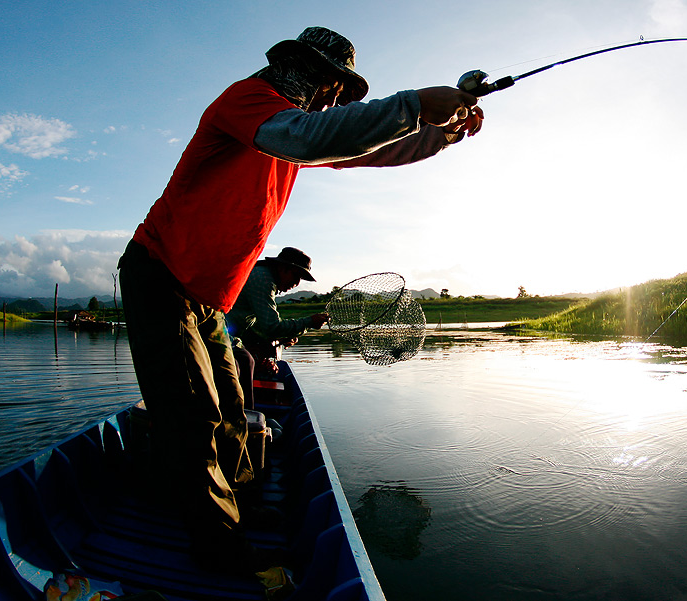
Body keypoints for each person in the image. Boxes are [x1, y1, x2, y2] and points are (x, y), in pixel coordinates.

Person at [117, 26, 483, 575]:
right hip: (161, 277)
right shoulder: (253, 105)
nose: (335, 98)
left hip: (208, 301)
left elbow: (369, 150)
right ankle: (222, 553)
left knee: (233, 409)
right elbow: (314, 136)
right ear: (302, 70)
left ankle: (241, 507)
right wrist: (413, 104)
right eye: (332, 85)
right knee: (192, 420)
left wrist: (443, 132)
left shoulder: (295, 134)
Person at [226, 247, 327, 410]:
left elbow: (259, 325)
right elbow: (272, 326)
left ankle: (247, 415)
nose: (296, 284)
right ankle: (246, 419)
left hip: (234, 332)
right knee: (245, 361)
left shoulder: (263, 276)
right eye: (295, 275)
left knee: (253, 356)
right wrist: (309, 322)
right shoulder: (263, 279)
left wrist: (279, 338)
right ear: (282, 268)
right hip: (220, 330)